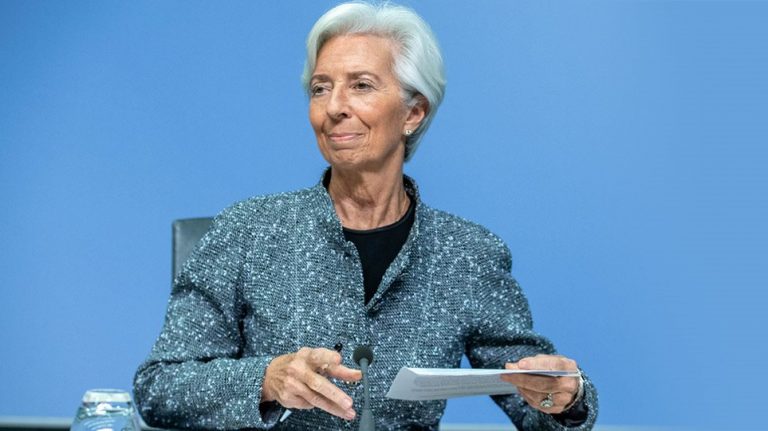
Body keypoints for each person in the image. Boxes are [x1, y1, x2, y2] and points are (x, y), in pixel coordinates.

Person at [133, 2, 598, 430]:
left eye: (361, 85)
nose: (334, 107)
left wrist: (565, 396)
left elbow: (538, 401)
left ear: (413, 112)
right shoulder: (246, 231)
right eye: (321, 88)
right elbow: (158, 387)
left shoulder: (468, 255)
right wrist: (266, 380)